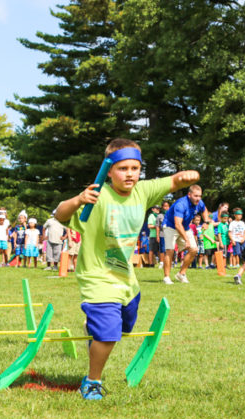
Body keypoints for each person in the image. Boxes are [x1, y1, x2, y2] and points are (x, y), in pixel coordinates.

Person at [55, 137, 199, 400]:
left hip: (127, 281)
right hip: (97, 277)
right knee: (109, 333)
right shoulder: (96, 196)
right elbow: (60, 215)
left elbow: (175, 181)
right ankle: (92, 381)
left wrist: (188, 176)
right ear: (109, 170)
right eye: (123, 168)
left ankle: (96, 327)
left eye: (135, 168)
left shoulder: (143, 191)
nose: (130, 174)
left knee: (124, 327)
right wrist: (78, 199)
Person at [162, 184, 211, 284]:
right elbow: (177, 224)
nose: (198, 198)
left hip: (184, 227)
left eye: (200, 196)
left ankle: (181, 274)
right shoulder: (181, 204)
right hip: (170, 226)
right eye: (196, 196)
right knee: (170, 250)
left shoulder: (199, 203)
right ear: (189, 194)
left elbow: (204, 209)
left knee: (194, 249)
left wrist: (206, 221)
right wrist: (187, 240)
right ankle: (166, 277)